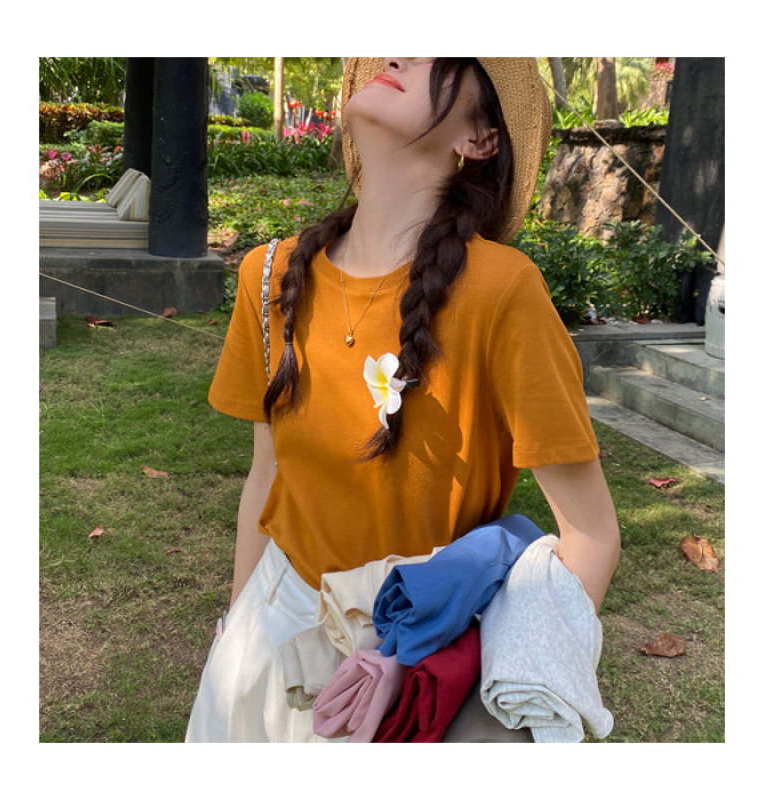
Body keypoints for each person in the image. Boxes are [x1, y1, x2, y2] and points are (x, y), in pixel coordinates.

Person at [185, 57, 621, 743]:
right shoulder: (269, 276)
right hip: (264, 637)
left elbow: (591, 536)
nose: (396, 55)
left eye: (435, 51)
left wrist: (489, 686)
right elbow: (265, 477)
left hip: (409, 664)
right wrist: (232, 632)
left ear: (479, 138)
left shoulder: (503, 293)